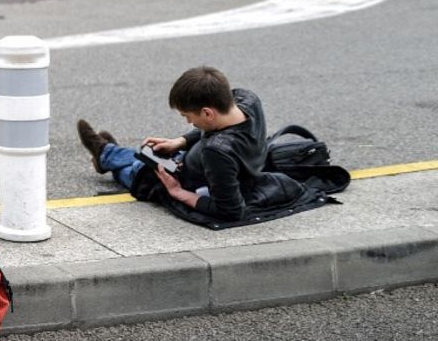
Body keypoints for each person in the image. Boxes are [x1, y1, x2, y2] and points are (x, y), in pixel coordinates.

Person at [76, 66, 305, 225]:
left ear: (207, 112)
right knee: (151, 154)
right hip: (187, 159)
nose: (188, 121)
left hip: (179, 178)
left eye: (187, 115)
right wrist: (181, 141)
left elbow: (230, 211)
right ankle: (107, 154)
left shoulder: (218, 153)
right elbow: (213, 128)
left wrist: (178, 192)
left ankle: (104, 153)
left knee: (139, 172)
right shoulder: (246, 100)